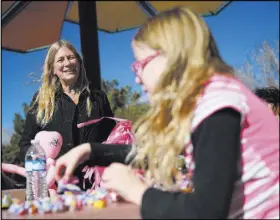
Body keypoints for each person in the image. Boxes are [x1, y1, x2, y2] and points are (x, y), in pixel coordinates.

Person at [55, 7, 279, 219]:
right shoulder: (213, 98)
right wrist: (89, 150)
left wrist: (137, 191)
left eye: (139, 64)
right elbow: (158, 153)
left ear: (172, 57)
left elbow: (205, 213)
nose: (136, 76)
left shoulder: (218, 104)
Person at [13, 40, 115, 190]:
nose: (67, 63)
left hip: (96, 185)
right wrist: (43, 172)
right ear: (53, 69)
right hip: (57, 186)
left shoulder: (98, 97)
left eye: (71, 57)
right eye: (60, 60)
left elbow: (113, 137)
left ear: (79, 63)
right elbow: (26, 143)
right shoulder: (41, 101)